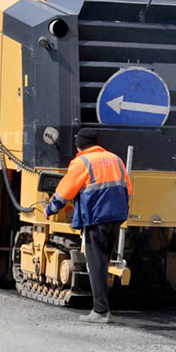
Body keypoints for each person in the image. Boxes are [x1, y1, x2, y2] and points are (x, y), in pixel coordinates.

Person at [45, 129, 132, 324]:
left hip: (95, 218)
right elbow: (128, 188)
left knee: (96, 265)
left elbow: (64, 192)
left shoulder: (81, 162)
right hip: (116, 218)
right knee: (103, 263)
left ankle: (100, 311)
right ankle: (103, 308)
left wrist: (49, 209)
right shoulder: (115, 159)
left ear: (79, 145)